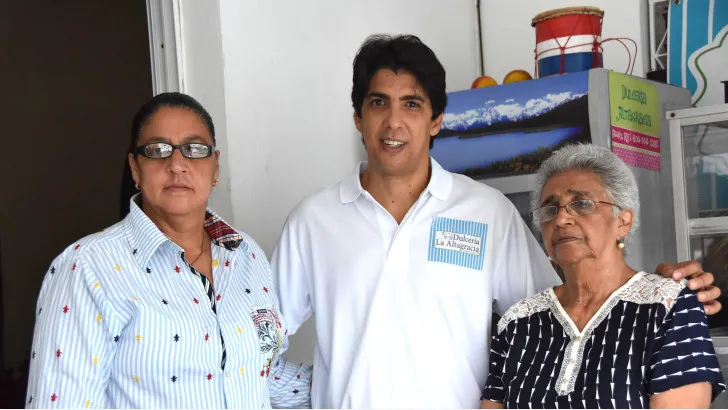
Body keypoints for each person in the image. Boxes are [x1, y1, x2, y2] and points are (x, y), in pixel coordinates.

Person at [271, 34, 722, 408]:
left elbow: (563, 310)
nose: (393, 122)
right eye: (377, 103)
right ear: (357, 117)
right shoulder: (314, 221)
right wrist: (323, 392)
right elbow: (253, 343)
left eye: (411, 104)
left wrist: (659, 289)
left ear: (436, 120)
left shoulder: (486, 212)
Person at [26, 93, 311, 408]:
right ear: (135, 168)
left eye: (195, 149)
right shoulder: (88, 267)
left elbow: (263, 376)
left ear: (215, 166)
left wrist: (357, 376)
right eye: (157, 150)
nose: (177, 165)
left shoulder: (246, 254)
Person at [480, 144, 725, 408]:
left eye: (582, 204)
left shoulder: (667, 306)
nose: (561, 219)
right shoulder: (519, 322)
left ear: (623, 221)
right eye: (550, 209)